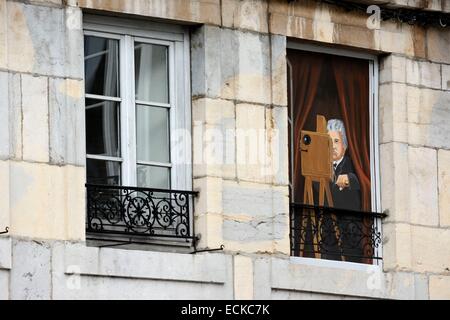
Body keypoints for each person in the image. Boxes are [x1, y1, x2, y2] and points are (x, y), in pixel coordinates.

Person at [326, 119, 361, 212]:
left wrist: (349, 179)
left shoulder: (353, 164)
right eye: (329, 141)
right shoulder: (321, 166)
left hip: (349, 223)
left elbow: (361, 180)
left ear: (344, 145)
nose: (333, 146)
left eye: (336, 141)